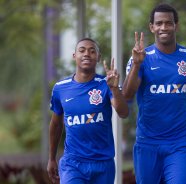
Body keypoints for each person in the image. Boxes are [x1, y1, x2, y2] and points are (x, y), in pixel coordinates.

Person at [122, 3, 186, 184]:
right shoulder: (141, 58)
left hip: (180, 143)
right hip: (147, 143)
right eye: (159, 23)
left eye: (168, 23)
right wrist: (136, 65)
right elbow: (127, 95)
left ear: (176, 25)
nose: (163, 27)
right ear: (151, 27)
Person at [47, 38, 129, 184]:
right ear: (74, 56)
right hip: (73, 163)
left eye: (92, 51)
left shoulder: (106, 84)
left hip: (103, 163)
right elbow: (56, 124)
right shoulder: (60, 88)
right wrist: (51, 158)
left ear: (98, 57)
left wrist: (115, 89)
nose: (87, 54)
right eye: (82, 50)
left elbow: (123, 112)